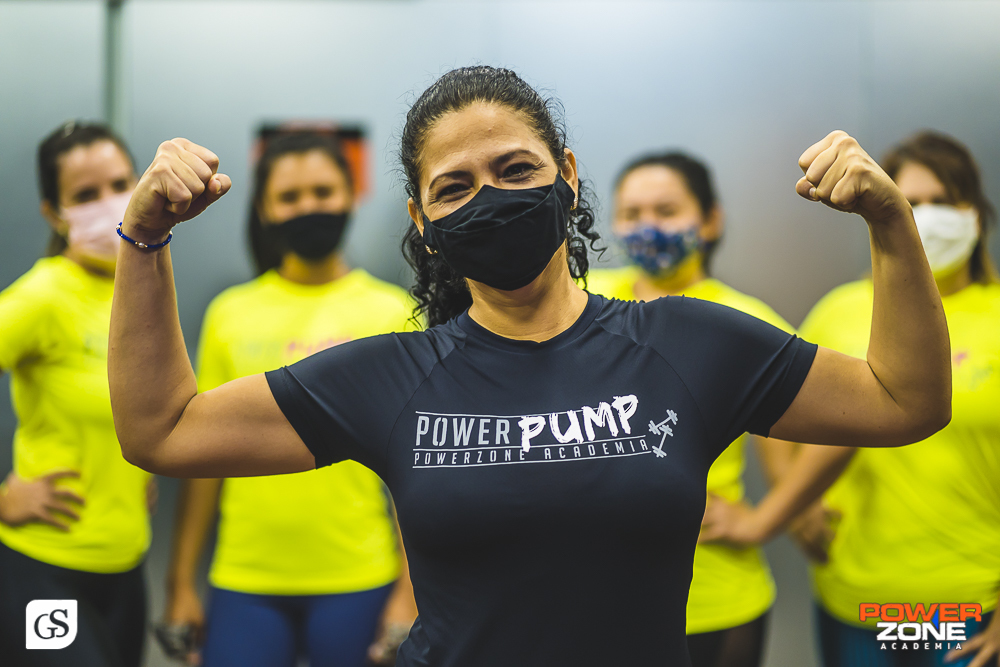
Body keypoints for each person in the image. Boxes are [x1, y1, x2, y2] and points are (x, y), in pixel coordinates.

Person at [107, 66, 951, 666]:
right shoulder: (393, 376)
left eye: (516, 169)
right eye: (455, 187)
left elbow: (904, 400)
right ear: (422, 219)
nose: (491, 197)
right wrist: (143, 241)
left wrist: (891, 222)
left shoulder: (688, 344)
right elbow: (162, 431)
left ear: (567, 177)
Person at [699, 131, 1000, 667]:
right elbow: (781, 406)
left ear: (975, 214)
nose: (927, 217)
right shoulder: (841, 311)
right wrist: (793, 509)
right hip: (853, 596)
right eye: (911, 202)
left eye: (942, 201)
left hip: (966, 600)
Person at [162, 132, 417, 667]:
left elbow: (412, 462)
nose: (308, 207)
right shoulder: (229, 314)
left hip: (361, 577)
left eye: (323, 191)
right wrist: (180, 581)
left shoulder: (392, 312)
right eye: (290, 196)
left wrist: (411, 590)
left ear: (350, 195)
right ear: (264, 208)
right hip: (244, 580)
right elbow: (202, 461)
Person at [587, 151, 804, 667]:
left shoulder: (745, 321)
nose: (648, 227)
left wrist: (764, 520)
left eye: (666, 211)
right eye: (632, 214)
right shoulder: (581, 300)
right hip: (592, 597)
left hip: (714, 597)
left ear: (709, 221)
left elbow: (834, 433)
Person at [0, 121, 151, 666]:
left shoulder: (143, 287)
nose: (108, 203)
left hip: (128, 565)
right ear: (54, 213)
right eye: (85, 195)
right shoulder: (41, 297)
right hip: (47, 568)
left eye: (119, 185)